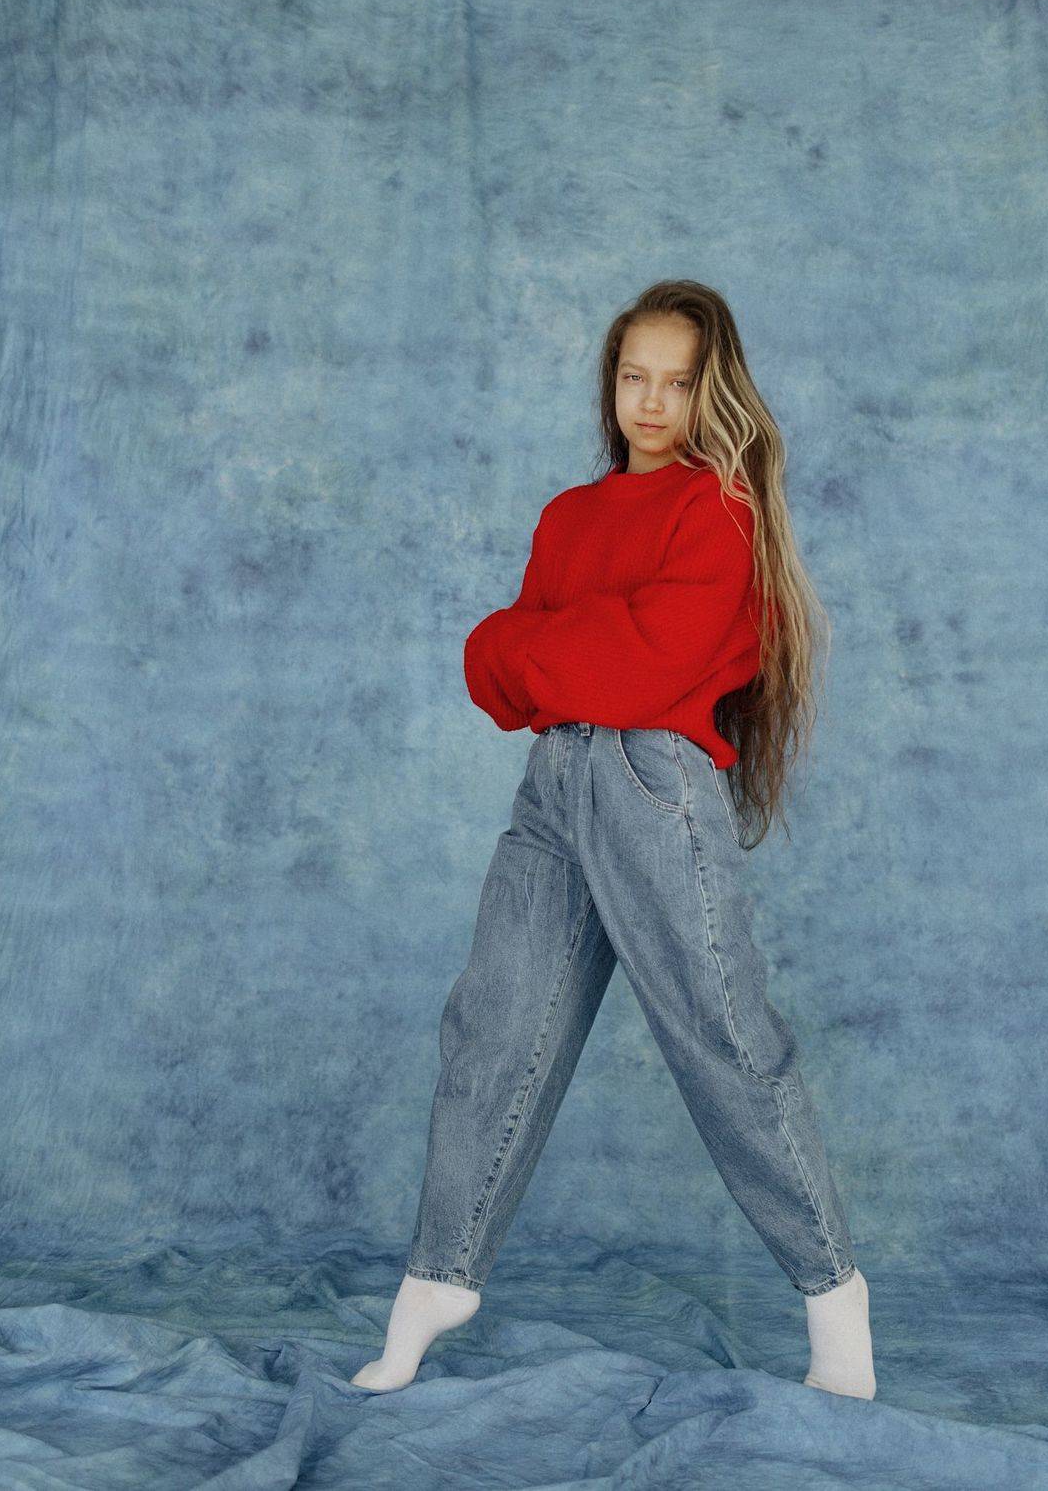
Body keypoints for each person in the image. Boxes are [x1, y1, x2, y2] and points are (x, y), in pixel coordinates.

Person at [352, 281, 876, 1400]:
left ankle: (835, 1298)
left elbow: (642, 662)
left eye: (677, 384)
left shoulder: (719, 509)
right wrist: (567, 648)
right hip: (554, 785)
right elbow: (490, 668)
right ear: (611, 383)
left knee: (722, 1037)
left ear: (708, 393)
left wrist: (548, 645)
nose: (651, 402)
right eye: (634, 377)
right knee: (493, 1027)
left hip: (652, 785)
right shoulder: (568, 517)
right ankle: (437, 1279)